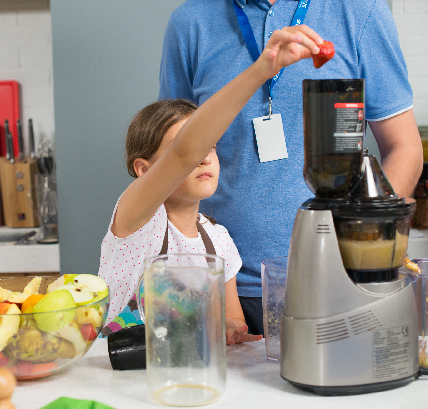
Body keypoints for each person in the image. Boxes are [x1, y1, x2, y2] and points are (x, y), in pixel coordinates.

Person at [158, 0, 424, 335]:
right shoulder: (189, 22)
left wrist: (366, 249)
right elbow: (172, 158)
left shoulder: (361, 11)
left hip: (337, 283)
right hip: (216, 287)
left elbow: (404, 147)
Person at [99, 25, 324, 344]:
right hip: (119, 373)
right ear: (144, 170)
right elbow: (185, 153)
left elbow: (233, 322)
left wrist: (231, 329)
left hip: (185, 374)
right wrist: (262, 70)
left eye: (212, 147)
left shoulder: (218, 241)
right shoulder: (137, 220)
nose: (203, 157)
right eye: (190, 150)